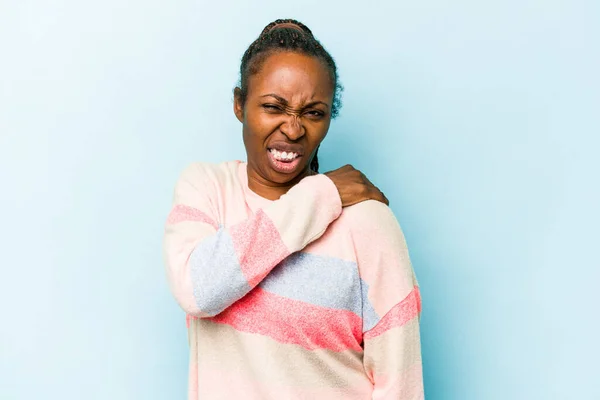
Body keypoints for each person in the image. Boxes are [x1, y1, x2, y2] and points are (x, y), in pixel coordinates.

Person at [163, 18, 424, 400]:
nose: (293, 129)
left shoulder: (367, 222)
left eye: (314, 113)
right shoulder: (208, 190)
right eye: (273, 107)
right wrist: (321, 194)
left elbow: (400, 384)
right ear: (239, 103)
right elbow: (197, 290)